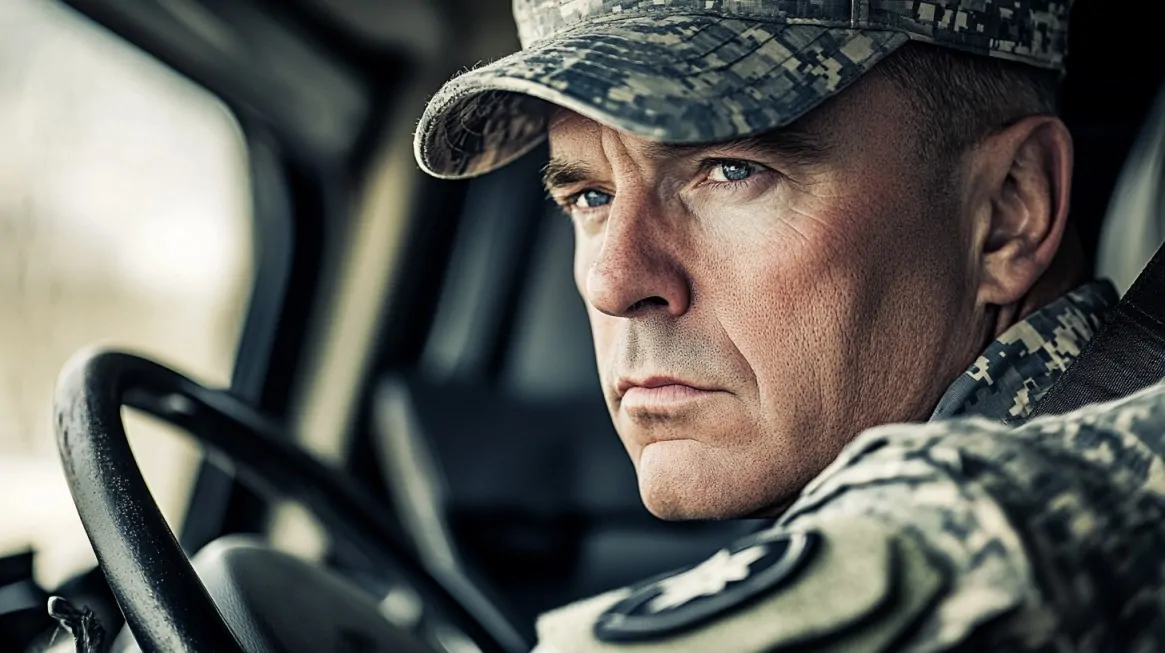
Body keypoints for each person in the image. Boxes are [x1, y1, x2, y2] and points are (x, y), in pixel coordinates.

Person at [414, 1, 1164, 650]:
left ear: (1008, 208)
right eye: (588, 195)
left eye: (730, 170)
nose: (614, 283)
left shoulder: (1029, 524)